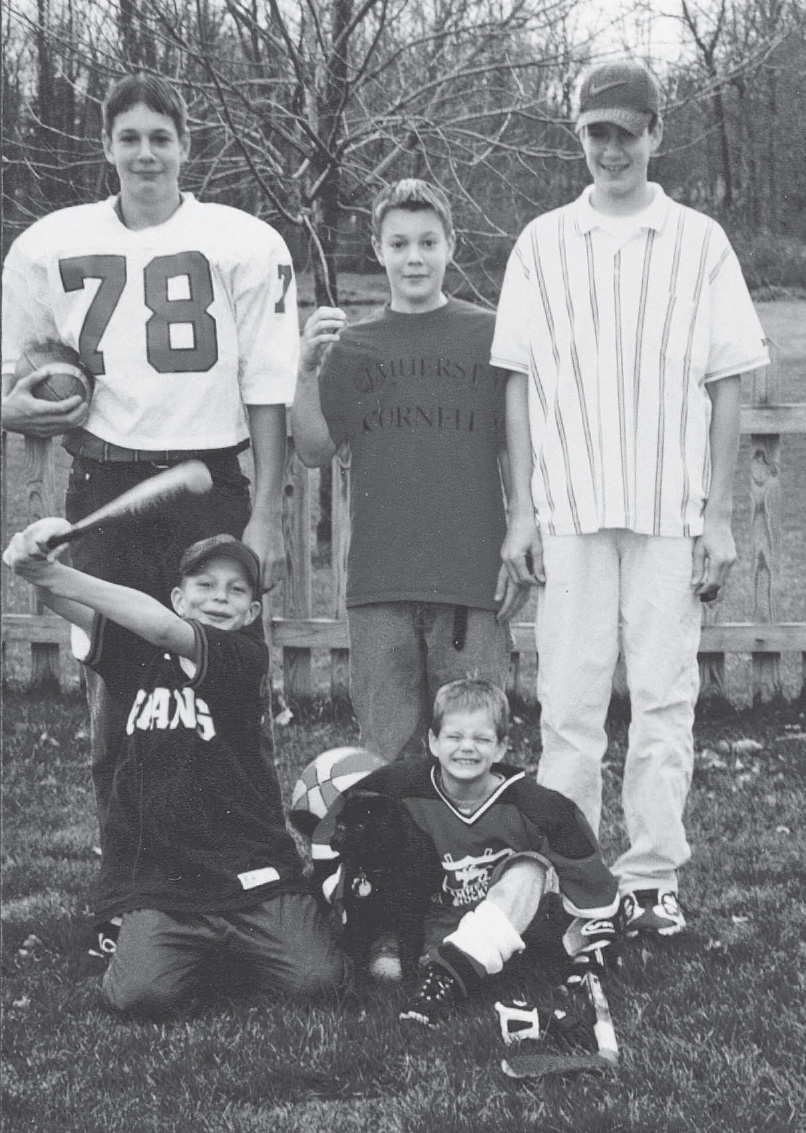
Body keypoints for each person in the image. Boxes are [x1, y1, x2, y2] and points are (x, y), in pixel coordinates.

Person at [1, 74, 298, 940]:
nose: (143, 153)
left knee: (231, 689)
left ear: (185, 145)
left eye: (158, 137)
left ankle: (250, 872)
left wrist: (269, 514)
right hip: (105, 481)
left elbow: (269, 387)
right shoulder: (49, 245)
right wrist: (20, 426)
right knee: (113, 690)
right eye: (127, 136)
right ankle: (130, 886)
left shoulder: (240, 240)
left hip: (209, 479)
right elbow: (20, 386)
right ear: (106, 145)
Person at [493, 61, 769, 938]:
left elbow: (727, 385)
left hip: (667, 510)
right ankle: (569, 870)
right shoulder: (542, 242)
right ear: (577, 136)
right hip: (570, 509)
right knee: (568, 705)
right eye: (594, 132)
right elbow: (518, 385)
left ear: (656, 133)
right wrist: (523, 511)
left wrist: (718, 515)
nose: (611, 148)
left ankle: (652, 874)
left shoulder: (699, 241)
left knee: (662, 699)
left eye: (626, 131)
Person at [4, 522, 348, 1016]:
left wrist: (55, 573)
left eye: (236, 590)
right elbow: (68, 604)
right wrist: (33, 564)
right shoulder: (137, 653)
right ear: (179, 597)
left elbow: (162, 627)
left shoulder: (244, 656)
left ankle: (230, 944)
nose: (219, 598)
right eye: (204, 586)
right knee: (138, 995)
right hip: (167, 878)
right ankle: (202, 947)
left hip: (248, 867)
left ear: (252, 611)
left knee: (320, 981)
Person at [291, 179, 526, 761]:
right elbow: (316, 450)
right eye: (399, 244)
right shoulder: (353, 347)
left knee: (470, 747)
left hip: (471, 579)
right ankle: (393, 856)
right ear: (377, 249)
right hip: (380, 581)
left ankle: (469, 854)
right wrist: (304, 370)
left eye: (427, 242)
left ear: (451, 243)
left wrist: (522, 528)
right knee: (390, 753)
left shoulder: (491, 336)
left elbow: (514, 447)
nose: (414, 258)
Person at [313, 679, 619, 1028]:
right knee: (387, 971)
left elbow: (577, 850)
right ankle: (451, 966)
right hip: (436, 926)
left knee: (528, 869)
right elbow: (335, 828)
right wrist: (336, 892)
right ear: (433, 742)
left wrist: (597, 920)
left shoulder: (532, 804)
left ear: (502, 747)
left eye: (482, 739)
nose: (466, 748)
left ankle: (447, 976)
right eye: (454, 737)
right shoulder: (398, 787)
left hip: (507, 926)